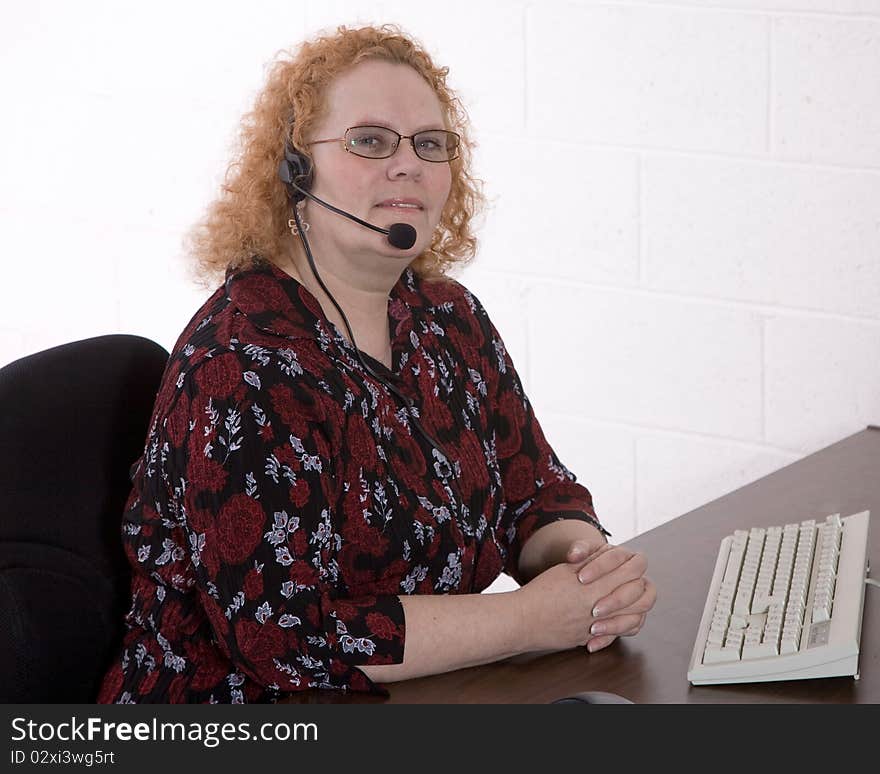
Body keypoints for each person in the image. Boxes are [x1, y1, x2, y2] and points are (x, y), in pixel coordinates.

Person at [98, 23, 656, 704]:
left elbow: (534, 491)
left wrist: (585, 565)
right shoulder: (243, 362)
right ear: (295, 170)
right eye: (370, 141)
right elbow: (287, 640)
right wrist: (529, 619)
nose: (408, 164)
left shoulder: (448, 318)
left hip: (425, 695)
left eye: (430, 143)